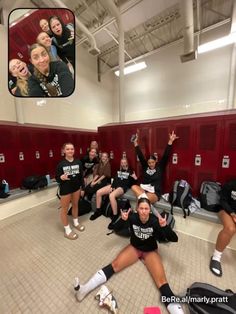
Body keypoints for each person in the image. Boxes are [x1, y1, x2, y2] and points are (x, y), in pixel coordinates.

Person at [74, 198, 183, 314]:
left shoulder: (155, 221)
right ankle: (84, 289)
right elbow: (115, 228)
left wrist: (165, 226)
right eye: (141, 208)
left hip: (150, 251)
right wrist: (122, 220)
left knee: (161, 281)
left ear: (150, 210)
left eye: (146, 209)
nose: (144, 211)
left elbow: (174, 239)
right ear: (137, 209)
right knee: (114, 265)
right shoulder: (133, 217)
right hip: (135, 248)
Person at [132, 131, 178, 204]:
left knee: (143, 200)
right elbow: (140, 155)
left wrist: (171, 141)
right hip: (143, 190)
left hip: (154, 193)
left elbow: (166, 155)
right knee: (134, 187)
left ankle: (139, 210)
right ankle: (143, 202)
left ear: (155, 161)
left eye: (152, 162)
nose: (151, 164)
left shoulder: (160, 167)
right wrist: (135, 142)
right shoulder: (145, 167)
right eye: (149, 163)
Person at [92, 158, 137, 228]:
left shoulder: (130, 171)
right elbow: (115, 179)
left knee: (111, 195)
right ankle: (98, 211)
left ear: (127, 163)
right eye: (122, 162)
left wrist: (135, 178)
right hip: (115, 186)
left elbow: (132, 183)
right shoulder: (119, 170)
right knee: (98, 192)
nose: (123, 164)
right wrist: (112, 187)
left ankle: (115, 215)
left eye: (124, 162)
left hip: (122, 187)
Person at [56, 143, 85, 240]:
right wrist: (61, 177)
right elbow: (57, 178)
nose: (70, 151)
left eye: (72, 149)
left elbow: (81, 176)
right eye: (67, 149)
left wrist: (83, 188)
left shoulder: (78, 162)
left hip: (76, 188)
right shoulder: (61, 164)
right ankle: (67, 230)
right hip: (66, 189)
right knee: (64, 209)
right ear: (63, 151)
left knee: (75, 205)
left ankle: (76, 222)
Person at [209, 179, 236, 277]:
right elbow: (222, 201)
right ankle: (216, 257)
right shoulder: (231, 184)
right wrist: (232, 214)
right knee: (230, 229)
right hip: (226, 210)